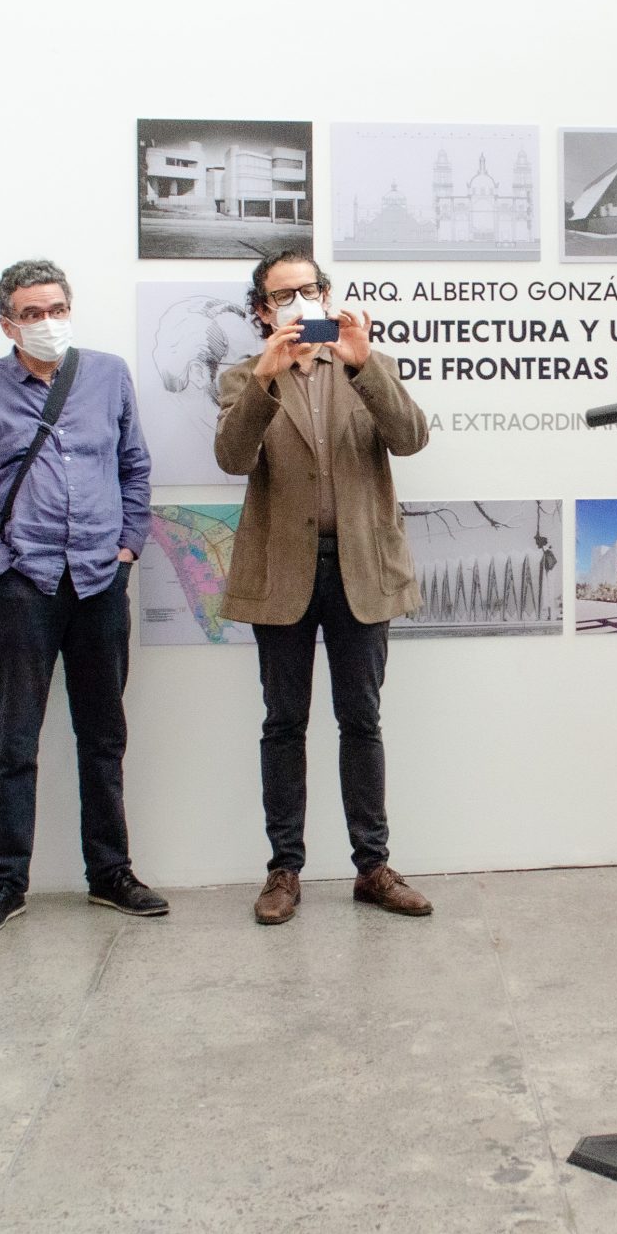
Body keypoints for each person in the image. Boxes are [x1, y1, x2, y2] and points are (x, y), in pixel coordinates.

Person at [0, 257, 165, 935]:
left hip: (99, 580)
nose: (47, 322)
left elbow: (134, 466)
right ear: (7, 321)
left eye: (56, 308)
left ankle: (111, 873)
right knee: (17, 741)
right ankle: (4, 882)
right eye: (32, 313)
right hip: (23, 587)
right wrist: (0, 564)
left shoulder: (108, 375)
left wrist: (128, 545)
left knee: (103, 736)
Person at [213, 251, 433, 925]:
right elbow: (232, 456)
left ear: (328, 295)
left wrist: (364, 362)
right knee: (283, 724)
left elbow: (412, 437)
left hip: (362, 568)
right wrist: (267, 381)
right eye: (283, 296)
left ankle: (373, 866)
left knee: (361, 721)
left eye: (309, 290)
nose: (299, 303)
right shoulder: (243, 376)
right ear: (262, 311)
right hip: (282, 573)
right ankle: (284, 870)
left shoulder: (364, 362)